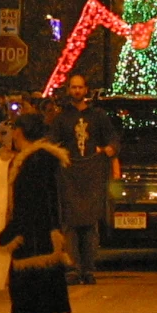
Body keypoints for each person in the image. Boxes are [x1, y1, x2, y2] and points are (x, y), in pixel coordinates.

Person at [0, 111, 69, 313]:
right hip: (47, 242)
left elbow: (27, 207)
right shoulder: (45, 161)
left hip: (31, 243)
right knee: (42, 304)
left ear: (20, 132)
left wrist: (7, 235)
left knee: (23, 301)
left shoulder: (31, 165)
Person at [47, 74, 119, 286]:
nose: (77, 91)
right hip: (70, 176)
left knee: (90, 224)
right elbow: (52, 141)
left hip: (92, 175)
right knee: (70, 223)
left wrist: (109, 149)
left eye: (80, 87)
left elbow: (112, 138)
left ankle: (88, 269)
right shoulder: (61, 118)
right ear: (69, 90)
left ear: (86, 90)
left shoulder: (98, 116)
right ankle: (73, 268)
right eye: (73, 87)